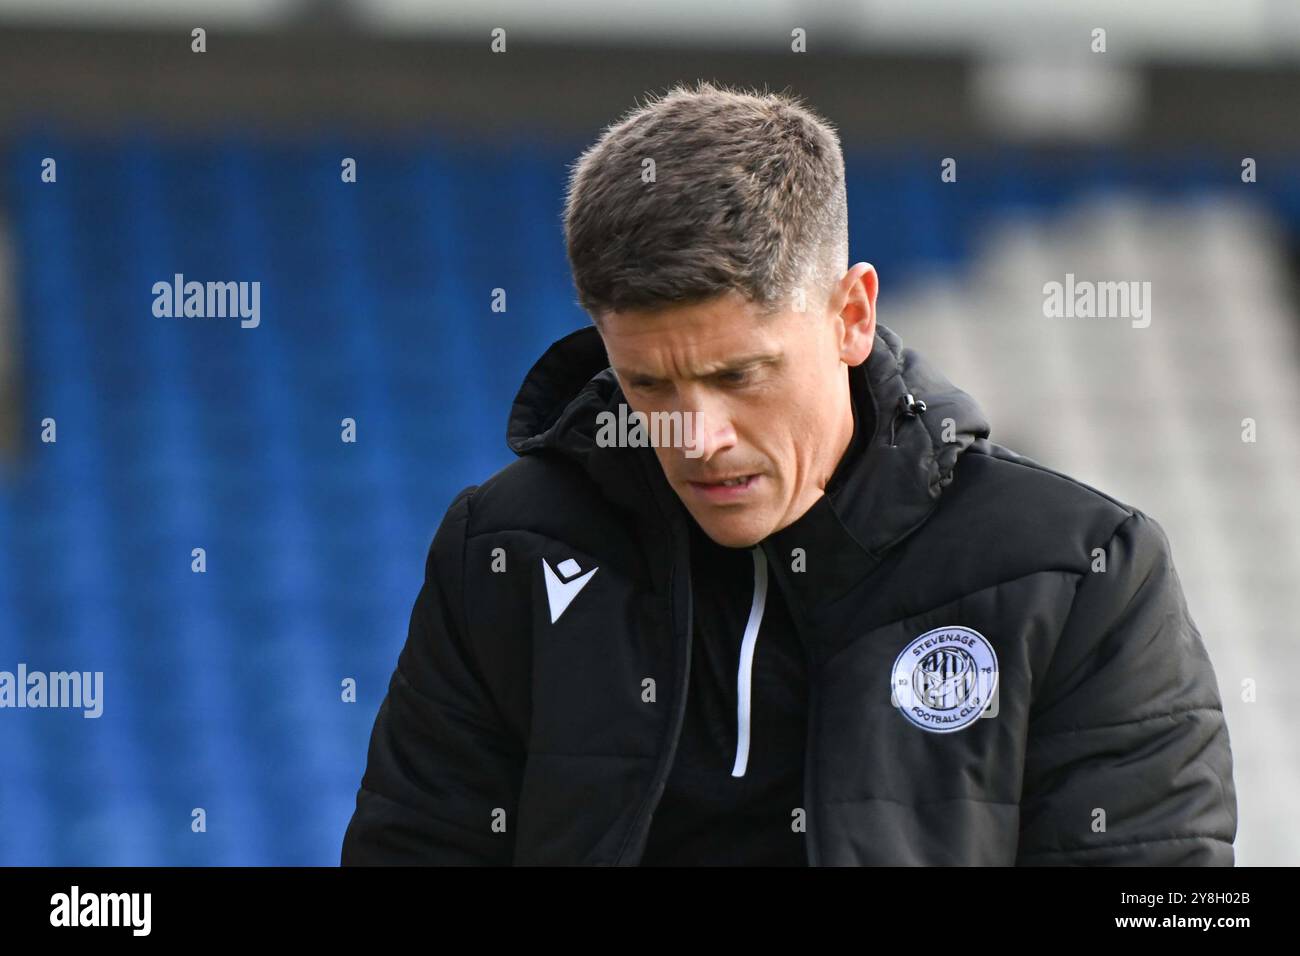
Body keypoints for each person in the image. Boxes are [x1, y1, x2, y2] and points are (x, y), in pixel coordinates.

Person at [341, 80, 1237, 865]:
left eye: (739, 376)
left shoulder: (1080, 574)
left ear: (851, 315)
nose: (696, 436)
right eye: (647, 383)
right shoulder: (505, 553)